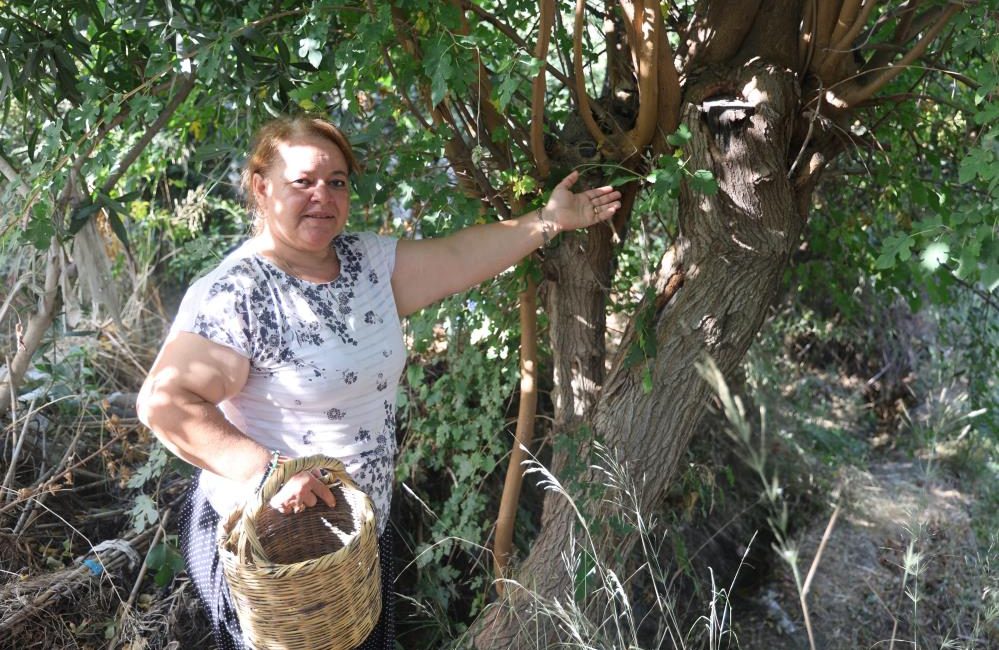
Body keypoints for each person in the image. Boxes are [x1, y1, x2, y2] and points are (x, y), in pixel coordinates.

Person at [136, 115, 621, 649]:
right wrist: (269, 472)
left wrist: (547, 221)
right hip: (277, 554)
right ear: (261, 186)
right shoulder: (239, 295)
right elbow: (164, 404)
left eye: (337, 181)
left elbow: (460, 256)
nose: (323, 195)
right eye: (303, 181)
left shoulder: (364, 262)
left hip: (357, 536)